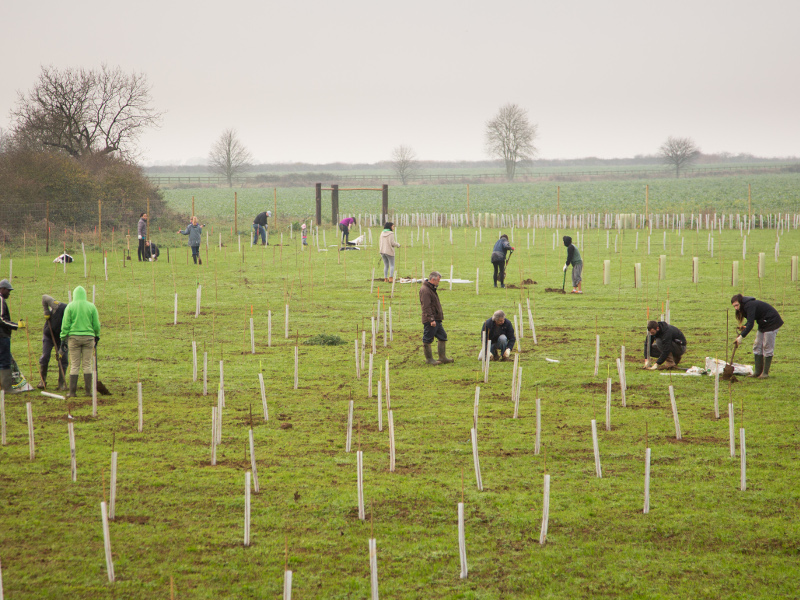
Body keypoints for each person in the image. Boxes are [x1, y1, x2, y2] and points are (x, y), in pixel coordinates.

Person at [60, 285, 101, 398]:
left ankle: (72, 392)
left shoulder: (70, 306)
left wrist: (63, 338)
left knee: (74, 365)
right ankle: (88, 392)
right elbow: (96, 324)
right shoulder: (91, 306)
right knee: (87, 364)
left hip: (74, 338)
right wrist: (97, 335)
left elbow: (65, 324)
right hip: (88, 338)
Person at [732, 294, 783, 379]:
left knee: (767, 346)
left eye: (737, 305)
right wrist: (744, 326)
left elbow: (751, 324)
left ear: (740, 302)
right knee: (757, 345)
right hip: (763, 323)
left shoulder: (750, 305)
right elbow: (750, 320)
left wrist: (741, 337)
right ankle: (757, 372)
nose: (736, 308)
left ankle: (765, 373)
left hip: (772, 322)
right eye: (734, 306)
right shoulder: (743, 307)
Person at [419, 271, 454, 365]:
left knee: (442, 336)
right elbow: (426, 307)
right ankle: (429, 359)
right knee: (427, 339)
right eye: (438, 281)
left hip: (436, 319)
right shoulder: (425, 290)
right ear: (433, 280)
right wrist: (431, 319)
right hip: (431, 320)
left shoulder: (431, 288)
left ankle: (442, 358)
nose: (439, 283)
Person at [38, 295, 69, 391]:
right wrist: (46, 311)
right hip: (49, 335)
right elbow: (44, 297)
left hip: (61, 338)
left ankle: (61, 384)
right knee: (45, 356)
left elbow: (68, 337)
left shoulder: (73, 319)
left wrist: (61, 351)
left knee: (63, 359)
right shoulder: (58, 306)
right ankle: (42, 381)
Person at [0, 279, 24, 393]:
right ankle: (7, 388)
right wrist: (16, 326)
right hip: (2, 336)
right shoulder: (0, 299)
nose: (9, 293)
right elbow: (2, 319)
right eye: (8, 291)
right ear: (2, 289)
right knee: (5, 360)